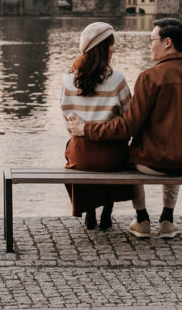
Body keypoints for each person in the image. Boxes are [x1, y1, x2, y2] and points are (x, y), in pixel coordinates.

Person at [66, 17, 182, 240]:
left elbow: (128, 127)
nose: (149, 45)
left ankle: (142, 219)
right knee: (176, 149)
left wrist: (88, 129)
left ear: (167, 43)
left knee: (130, 154)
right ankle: (167, 219)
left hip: (152, 165)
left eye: (152, 39)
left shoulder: (149, 77)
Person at [60, 22, 145, 230]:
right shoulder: (117, 79)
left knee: (73, 148)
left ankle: (90, 210)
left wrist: (82, 131)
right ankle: (107, 209)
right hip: (112, 153)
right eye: (111, 45)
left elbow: (67, 122)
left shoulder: (67, 80)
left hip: (81, 155)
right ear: (101, 48)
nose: (113, 50)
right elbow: (129, 119)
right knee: (114, 156)